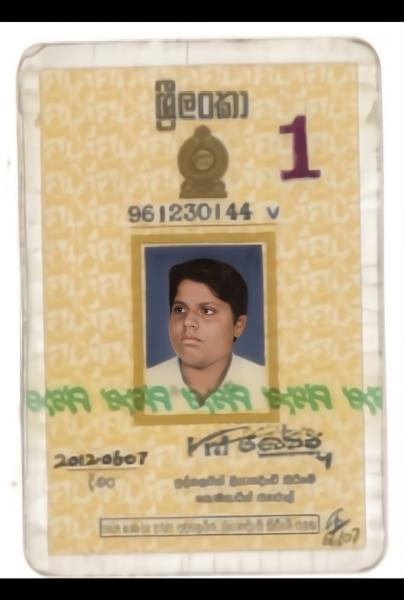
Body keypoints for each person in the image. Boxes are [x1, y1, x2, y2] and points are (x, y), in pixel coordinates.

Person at [146, 258, 269, 413]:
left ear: (238, 325)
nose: (188, 321)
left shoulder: (268, 387)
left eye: (207, 311)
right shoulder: (143, 386)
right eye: (179, 309)